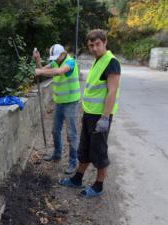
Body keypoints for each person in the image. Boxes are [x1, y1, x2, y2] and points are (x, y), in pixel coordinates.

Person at [59, 29, 121, 198]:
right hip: (89, 114)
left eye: (97, 44)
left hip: (100, 117)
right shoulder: (97, 60)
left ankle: (98, 186)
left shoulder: (111, 62)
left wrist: (105, 118)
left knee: (99, 152)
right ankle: (77, 179)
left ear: (105, 42)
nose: (94, 48)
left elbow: (112, 92)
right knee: (85, 148)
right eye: (91, 45)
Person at [33, 44, 81, 174]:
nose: (55, 60)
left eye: (57, 57)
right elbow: (42, 69)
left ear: (62, 54)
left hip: (71, 102)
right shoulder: (55, 62)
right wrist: (38, 60)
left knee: (71, 134)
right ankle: (57, 153)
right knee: (55, 130)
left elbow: (59, 71)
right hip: (59, 103)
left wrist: (41, 71)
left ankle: (72, 162)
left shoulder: (70, 62)